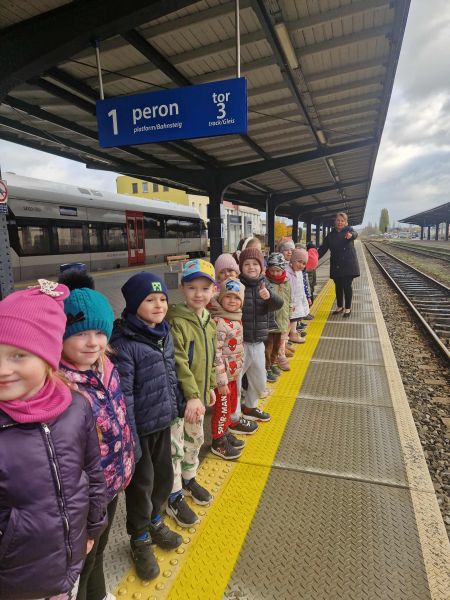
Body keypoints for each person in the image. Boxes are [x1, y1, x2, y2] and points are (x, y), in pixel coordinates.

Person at [0, 280, 106, 600]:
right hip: (15, 577)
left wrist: (93, 527)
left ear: (48, 357)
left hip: (69, 558)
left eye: (19, 355)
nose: (2, 369)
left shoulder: (76, 407)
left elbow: (92, 472)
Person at [59, 281, 135, 599]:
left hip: (111, 483)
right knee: (82, 561)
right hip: (85, 496)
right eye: (81, 334)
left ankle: (99, 594)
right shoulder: (62, 386)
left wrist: (129, 460)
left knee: (98, 550)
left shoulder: (107, 367)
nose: (93, 342)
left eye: (100, 332)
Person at [110, 272, 183, 581]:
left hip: (162, 423)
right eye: (150, 299)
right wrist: (130, 438)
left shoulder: (163, 334)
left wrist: (176, 406)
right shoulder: (124, 343)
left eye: (162, 298)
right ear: (133, 304)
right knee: (141, 486)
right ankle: (139, 538)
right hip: (138, 430)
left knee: (163, 477)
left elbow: (170, 374)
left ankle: (155, 521)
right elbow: (123, 396)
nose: (159, 305)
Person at [166, 259, 217, 527]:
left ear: (214, 290)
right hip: (181, 400)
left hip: (198, 398)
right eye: (192, 287)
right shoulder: (176, 321)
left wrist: (209, 386)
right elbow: (179, 362)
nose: (199, 294)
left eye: (205, 288)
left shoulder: (209, 321)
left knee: (195, 440)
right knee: (176, 446)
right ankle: (174, 495)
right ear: (182, 288)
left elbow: (211, 357)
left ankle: (188, 479)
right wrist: (192, 395)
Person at [230, 248, 283, 427]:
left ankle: (250, 406)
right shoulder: (237, 285)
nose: (251, 267)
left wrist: (269, 297)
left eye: (255, 264)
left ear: (262, 267)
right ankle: (235, 415)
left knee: (259, 379)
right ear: (241, 267)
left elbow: (279, 303)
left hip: (259, 341)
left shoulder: (264, 284)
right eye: (247, 264)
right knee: (236, 381)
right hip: (240, 343)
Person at [209, 277, 246, 459]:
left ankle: (224, 432)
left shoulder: (236, 318)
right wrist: (221, 381)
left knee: (229, 406)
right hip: (222, 379)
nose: (232, 301)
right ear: (221, 298)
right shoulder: (219, 322)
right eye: (228, 296)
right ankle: (218, 442)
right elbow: (215, 353)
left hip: (232, 375)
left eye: (236, 298)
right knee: (222, 410)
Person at [318, 212, 360, 317]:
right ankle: (340, 306)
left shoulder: (349, 231)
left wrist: (351, 235)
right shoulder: (330, 236)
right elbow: (322, 250)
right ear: (335, 221)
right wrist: (311, 258)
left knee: (347, 286)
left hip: (348, 264)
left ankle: (348, 308)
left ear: (346, 222)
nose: (340, 222)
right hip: (336, 264)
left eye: (342, 221)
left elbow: (355, 234)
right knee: (338, 286)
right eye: (338, 220)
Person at [265, 253, 292, 373]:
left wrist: (289, 314)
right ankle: (267, 366)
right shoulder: (266, 283)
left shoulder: (286, 282)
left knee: (277, 345)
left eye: (278, 271)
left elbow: (289, 299)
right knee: (268, 346)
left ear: (283, 270)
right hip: (271, 322)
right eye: (272, 270)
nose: (275, 273)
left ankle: (273, 362)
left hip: (282, 320)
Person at [286, 248, 310, 343]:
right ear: (293, 260)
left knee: (294, 319)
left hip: (297, 301)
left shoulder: (298, 272)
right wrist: (291, 303)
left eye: (304, 263)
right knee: (289, 321)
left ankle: (292, 334)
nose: (301, 265)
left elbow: (301, 288)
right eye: (299, 262)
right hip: (290, 303)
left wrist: (305, 299)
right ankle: (289, 337)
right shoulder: (287, 273)